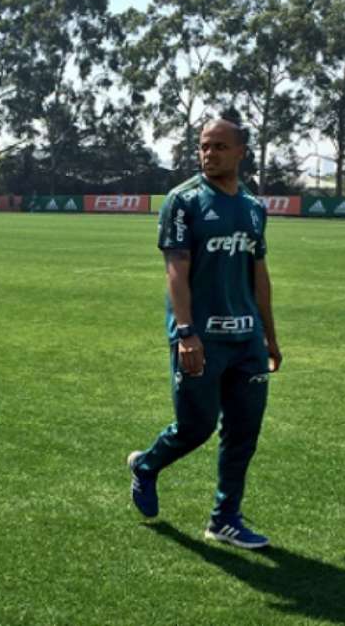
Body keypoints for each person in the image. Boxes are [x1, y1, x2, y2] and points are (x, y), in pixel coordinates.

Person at [127, 118, 282, 549]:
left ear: (241, 153)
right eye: (203, 146)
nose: (208, 153)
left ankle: (225, 518)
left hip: (247, 339)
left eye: (218, 146)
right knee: (195, 427)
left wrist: (270, 336)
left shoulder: (254, 207)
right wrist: (185, 332)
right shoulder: (184, 201)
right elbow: (176, 270)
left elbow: (259, 274)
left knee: (244, 430)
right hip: (201, 337)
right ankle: (146, 466)